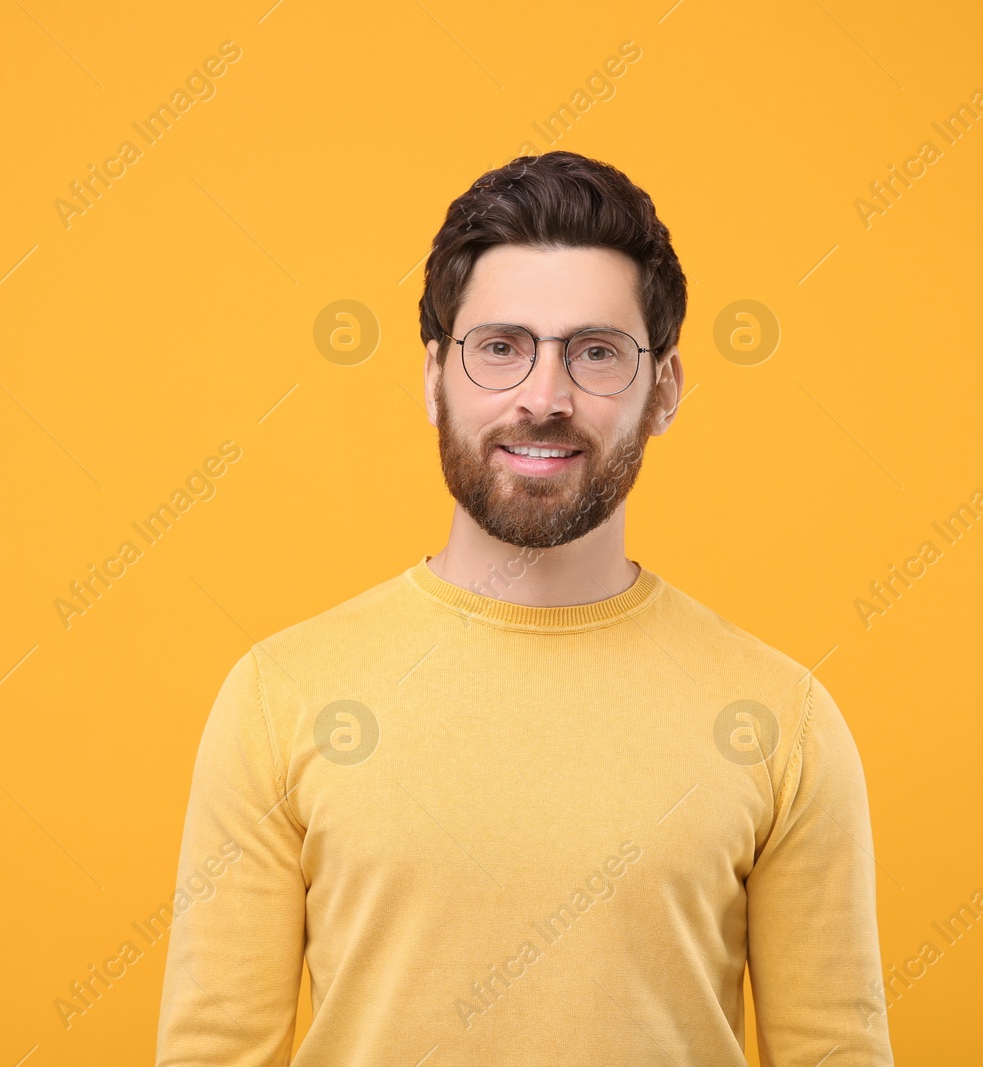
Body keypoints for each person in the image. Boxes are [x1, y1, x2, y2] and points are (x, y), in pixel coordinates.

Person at [155, 150, 894, 1066]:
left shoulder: (782, 719)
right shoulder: (280, 696)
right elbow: (213, 1050)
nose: (544, 398)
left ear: (664, 388)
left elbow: (834, 1051)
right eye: (501, 347)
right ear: (434, 378)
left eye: (596, 353)